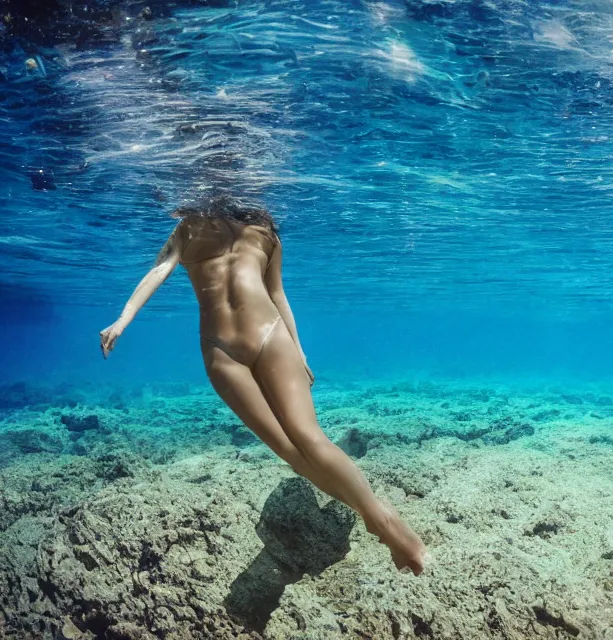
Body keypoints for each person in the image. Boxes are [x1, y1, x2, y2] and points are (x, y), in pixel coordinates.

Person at [99, 196, 426, 574]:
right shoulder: (189, 227)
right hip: (223, 354)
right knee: (291, 453)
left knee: (310, 439)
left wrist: (300, 352)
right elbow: (159, 269)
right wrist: (122, 320)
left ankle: (382, 523)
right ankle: (372, 511)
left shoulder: (265, 232)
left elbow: (277, 293)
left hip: (273, 337)